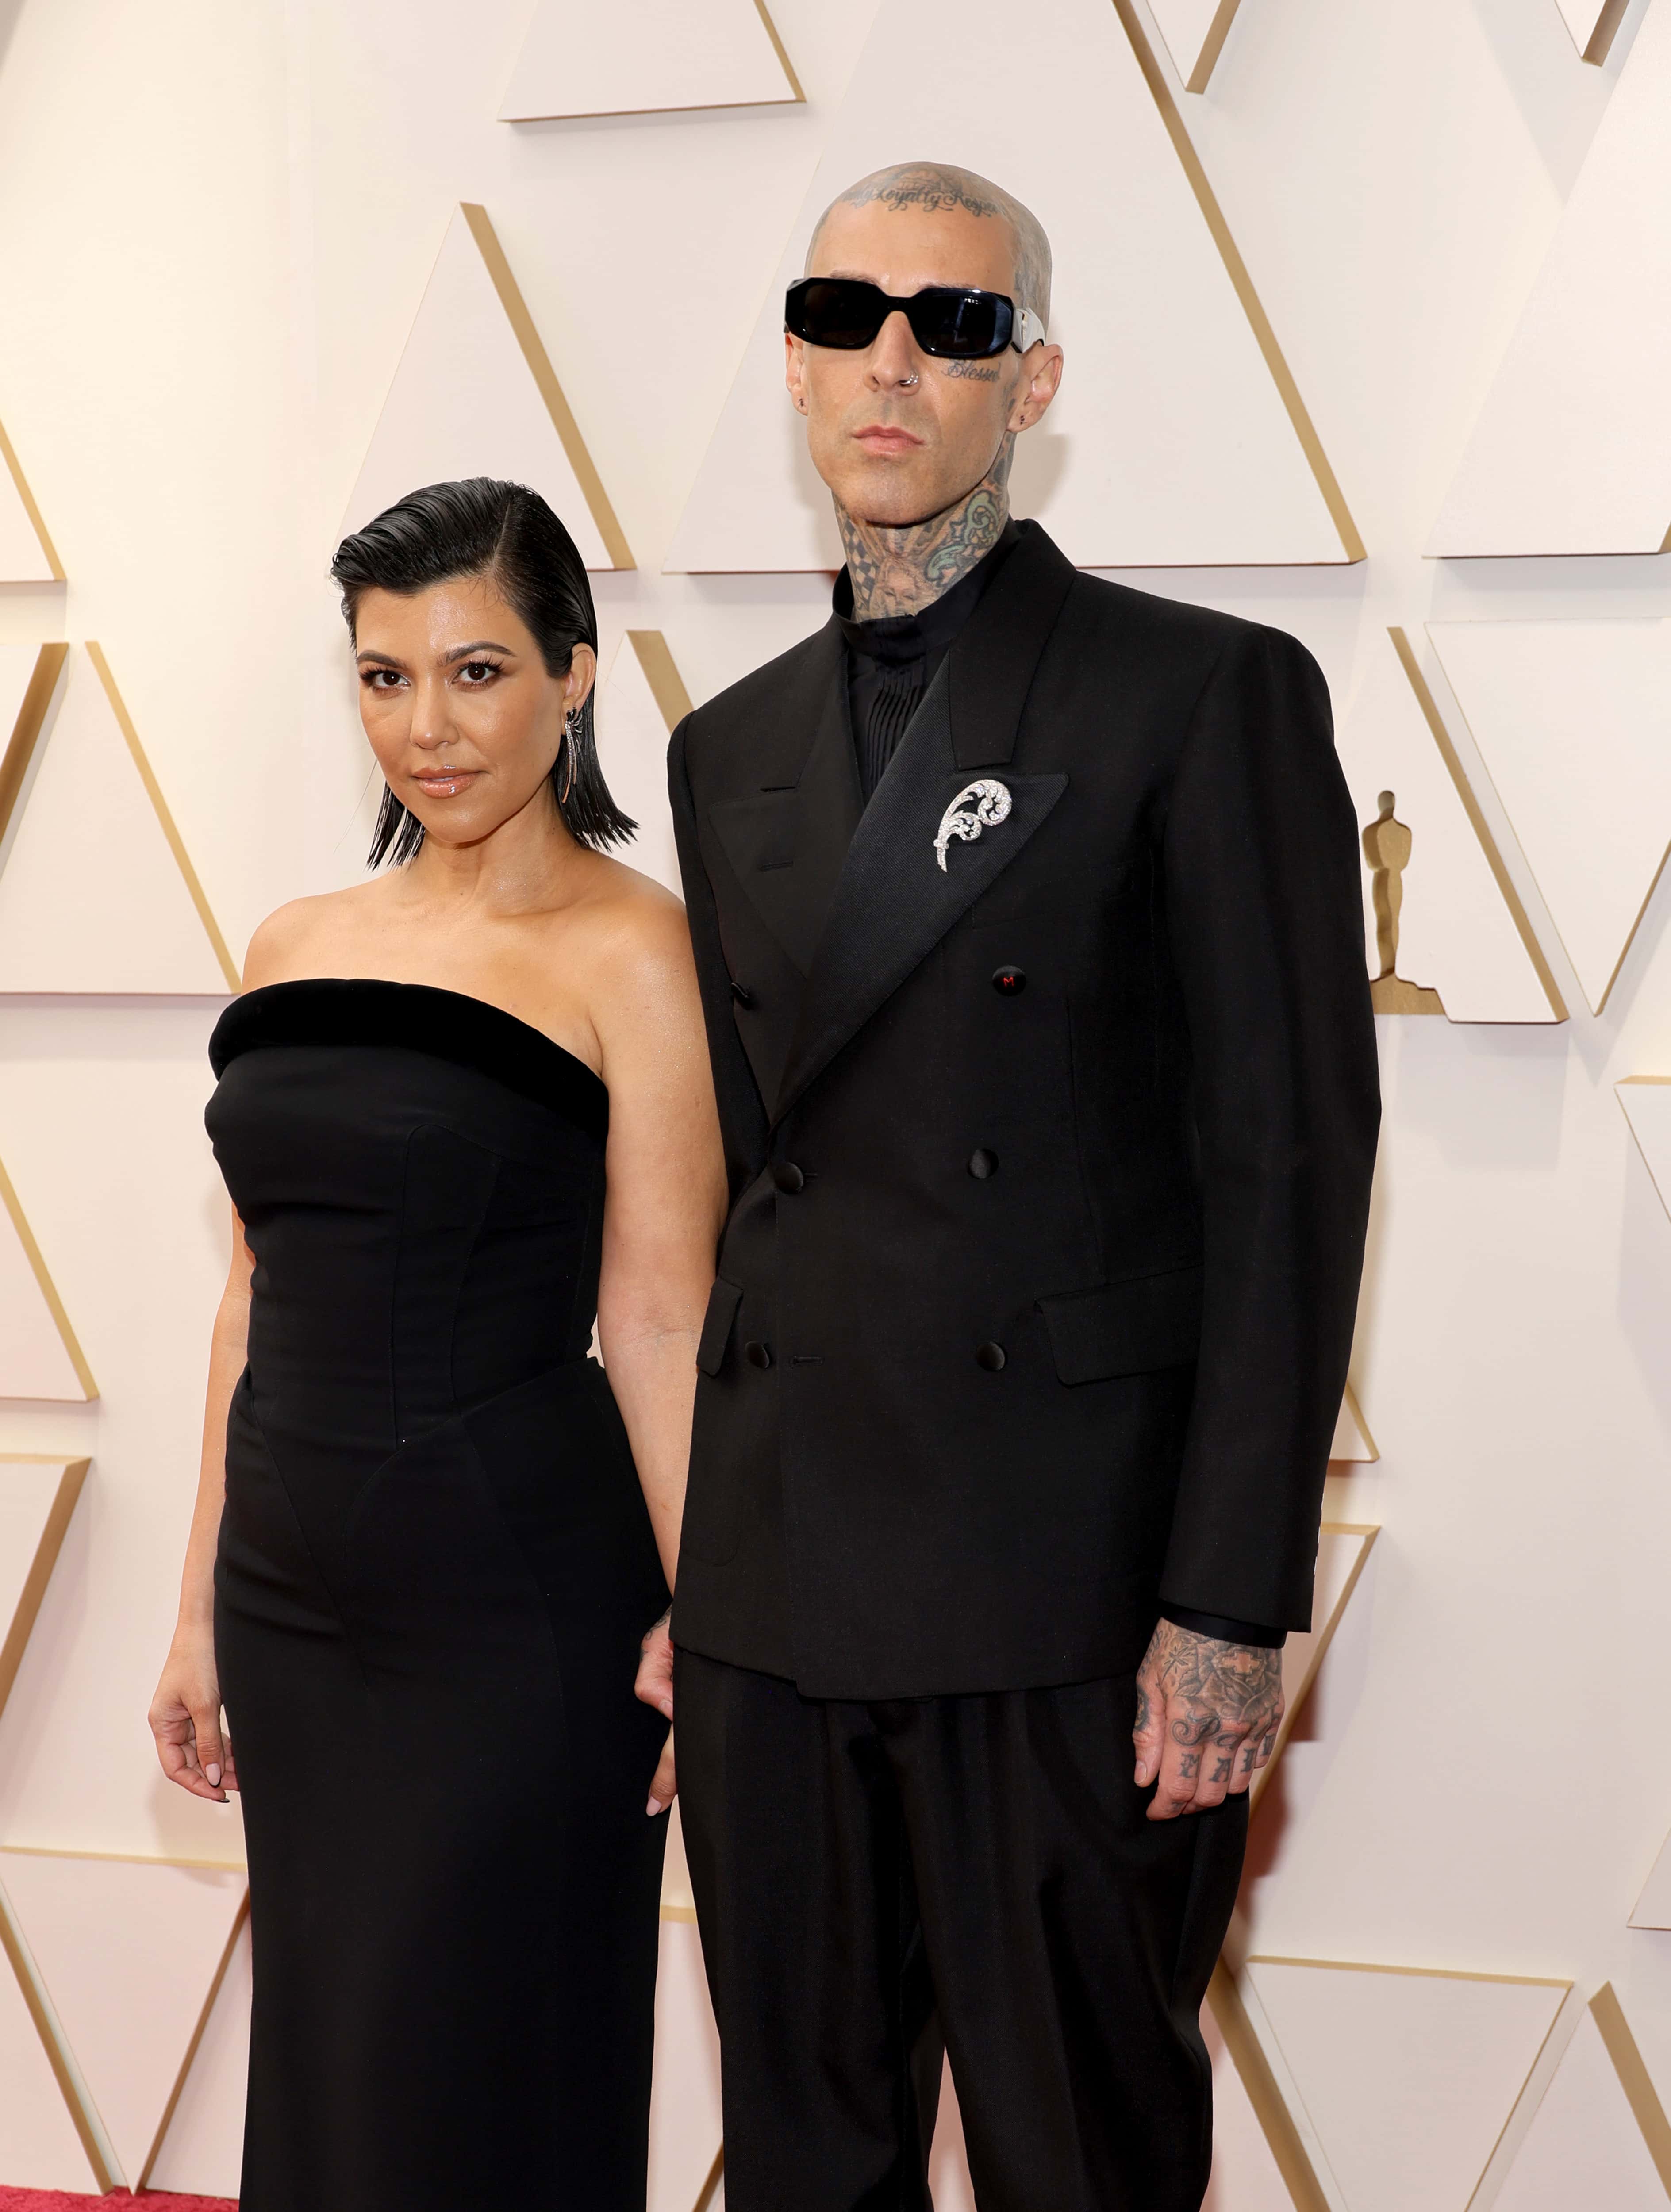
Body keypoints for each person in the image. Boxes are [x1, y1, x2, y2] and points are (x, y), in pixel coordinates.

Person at [643, 163, 1380, 2211]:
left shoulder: (1199, 692)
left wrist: (1229, 1601)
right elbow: (753, 1188)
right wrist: (698, 1581)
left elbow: (1288, 1166)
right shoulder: (728, 750)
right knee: (807, 2160)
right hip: (783, 1581)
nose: (892, 363)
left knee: (1081, 2153)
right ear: (799, 367)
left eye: (953, 324)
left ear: (1029, 379)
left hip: (1063, 1589)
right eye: (845, 316)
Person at [148, 478, 726, 2212]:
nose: (428, 727)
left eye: (476, 673)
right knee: (334, 2056)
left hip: (516, 1607)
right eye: (384, 677)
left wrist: (719, 1615)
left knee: (482, 2068)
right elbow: (250, 1296)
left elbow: (660, 1309)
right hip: (291, 1595)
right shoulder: (295, 943)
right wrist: (197, 1608)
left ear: (573, 673)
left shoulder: (634, 949)